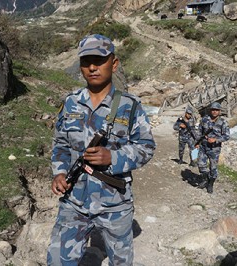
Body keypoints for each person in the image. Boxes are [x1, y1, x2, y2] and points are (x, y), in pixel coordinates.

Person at [47, 34, 156, 266]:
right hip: (74, 201)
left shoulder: (130, 105)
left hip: (115, 204)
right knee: (57, 261)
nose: (93, 67)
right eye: (86, 62)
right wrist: (58, 172)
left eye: (99, 60)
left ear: (113, 64)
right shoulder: (70, 103)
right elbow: (60, 144)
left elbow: (146, 147)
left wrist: (113, 157)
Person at [196, 102, 230, 193]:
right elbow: (199, 131)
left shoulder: (223, 122)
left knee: (213, 168)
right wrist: (197, 142)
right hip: (203, 146)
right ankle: (205, 179)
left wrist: (216, 140)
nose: (214, 112)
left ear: (219, 111)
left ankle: (210, 184)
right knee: (200, 164)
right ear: (210, 110)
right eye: (213, 110)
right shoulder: (204, 119)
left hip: (214, 149)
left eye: (216, 110)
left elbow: (227, 136)